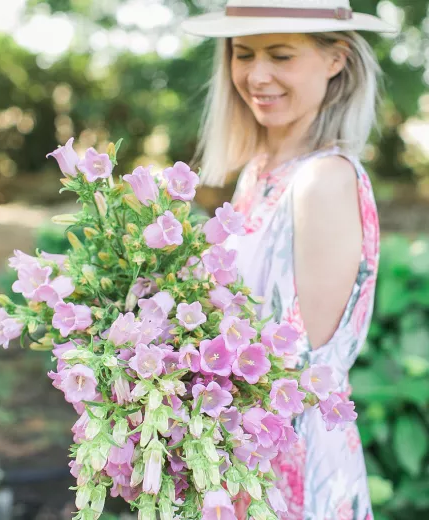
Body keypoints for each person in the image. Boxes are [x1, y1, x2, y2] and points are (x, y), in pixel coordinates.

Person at [181, 1, 396, 519]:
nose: (257, 76)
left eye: (280, 55)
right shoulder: (261, 170)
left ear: (335, 59)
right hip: (239, 453)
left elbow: (297, 368)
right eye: (243, 53)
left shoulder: (323, 181)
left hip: (286, 460)